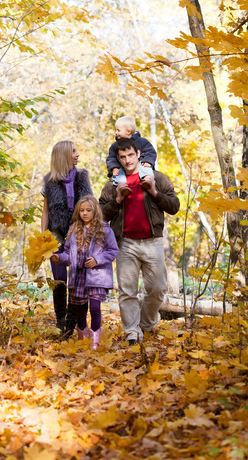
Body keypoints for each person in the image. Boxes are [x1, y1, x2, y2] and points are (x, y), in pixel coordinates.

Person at [99, 138, 180, 345]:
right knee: (127, 291)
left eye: (130, 155)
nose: (127, 161)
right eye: (122, 157)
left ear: (138, 154)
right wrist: (117, 199)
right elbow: (99, 214)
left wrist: (154, 191)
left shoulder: (157, 177)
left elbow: (174, 205)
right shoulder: (113, 184)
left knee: (158, 288)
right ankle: (132, 333)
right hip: (125, 243)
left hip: (153, 241)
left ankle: (145, 324)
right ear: (118, 159)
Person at [52, 196, 119, 350]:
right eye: (82, 210)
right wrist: (59, 258)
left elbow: (113, 250)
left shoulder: (104, 229)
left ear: (95, 211)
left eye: (88, 210)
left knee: (95, 307)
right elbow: (69, 255)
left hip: (97, 276)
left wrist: (97, 259)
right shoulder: (73, 230)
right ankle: (83, 339)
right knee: (80, 309)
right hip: (78, 277)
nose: (85, 213)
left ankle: (95, 342)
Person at [41, 141, 93, 338]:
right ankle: (60, 322)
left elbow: (90, 206)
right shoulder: (49, 181)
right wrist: (44, 237)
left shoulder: (82, 177)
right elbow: (45, 211)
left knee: (78, 279)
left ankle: (74, 323)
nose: (77, 154)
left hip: (78, 233)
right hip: (56, 234)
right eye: (73, 151)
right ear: (63, 155)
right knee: (60, 280)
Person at [106, 116, 157, 196]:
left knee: (145, 169)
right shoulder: (115, 146)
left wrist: (147, 161)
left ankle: (147, 181)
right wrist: (114, 167)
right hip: (122, 168)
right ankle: (122, 188)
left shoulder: (141, 141)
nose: (116, 133)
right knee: (118, 174)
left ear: (128, 131)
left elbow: (150, 151)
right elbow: (111, 158)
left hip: (141, 164)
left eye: (118, 130)